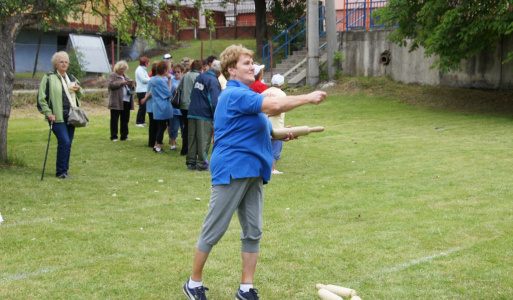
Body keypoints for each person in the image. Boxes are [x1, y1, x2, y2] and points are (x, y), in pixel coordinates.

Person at [182, 45, 327, 300]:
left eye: (252, 62)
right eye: (246, 62)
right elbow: (273, 105)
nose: (253, 66)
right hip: (232, 168)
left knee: (253, 231)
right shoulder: (234, 94)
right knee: (214, 228)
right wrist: (307, 97)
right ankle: (193, 283)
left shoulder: (245, 95)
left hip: (253, 170)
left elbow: (263, 128)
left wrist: (281, 134)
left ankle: (246, 289)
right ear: (231, 69)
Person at [37, 51, 84, 179]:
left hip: (71, 116)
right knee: (64, 141)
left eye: (66, 62)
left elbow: (81, 93)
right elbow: (41, 98)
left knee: (68, 143)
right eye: (61, 62)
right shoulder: (48, 77)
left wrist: (79, 89)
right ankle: (61, 172)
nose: (64, 64)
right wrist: (48, 113)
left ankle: (64, 170)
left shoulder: (71, 77)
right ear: (55, 64)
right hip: (56, 116)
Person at [186, 59, 221, 171]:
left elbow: (192, 94)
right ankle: (202, 163)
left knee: (192, 138)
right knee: (203, 139)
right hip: (204, 114)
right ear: (219, 72)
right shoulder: (214, 81)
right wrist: (216, 116)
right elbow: (214, 101)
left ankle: (191, 162)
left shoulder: (200, 76)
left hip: (192, 111)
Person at [261, 74, 287, 175]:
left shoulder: (264, 92)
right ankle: (271, 169)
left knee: (264, 147)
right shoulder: (282, 94)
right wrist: (270, 114)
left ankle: (263, 167)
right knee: (276, 147)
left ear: (271, 82)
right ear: (282, 84)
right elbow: (280, 109)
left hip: (263, 125)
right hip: (276, 126)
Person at [148, 60, 173, 153]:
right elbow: (169, 93)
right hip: (163, 106)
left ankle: (156, 144)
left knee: (159, 126)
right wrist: (169, 80)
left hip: (156, 105)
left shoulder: (153, 79)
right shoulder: (161, 81)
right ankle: (158, 146)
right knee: (162, 127)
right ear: (165, 70)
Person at [179, 59, 203, 156]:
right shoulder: (199, 77)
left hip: (184, 105)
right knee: (196, 128)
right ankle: (194, 150)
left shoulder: (185, 75)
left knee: (186, 128)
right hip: (194, 105)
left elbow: (179, 88)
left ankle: (184, 149)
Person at [108, 60, 135, 141]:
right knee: (114, 119)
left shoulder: (126, 76)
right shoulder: (112, 75)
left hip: (126, 100)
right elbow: (110, 85)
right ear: (117, 68)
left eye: (124, 69)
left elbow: (132, 89)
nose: (122, 71)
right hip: (116, 100)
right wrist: (121, 83)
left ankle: (124, 136)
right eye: (121, 69)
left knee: (125, 119)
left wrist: (132, 84)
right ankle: (114, 136)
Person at [169, 63, 185, 151]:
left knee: (184, 128)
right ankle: (172, 145)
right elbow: (175, 89)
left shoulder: (184, 80)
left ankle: (184, 145)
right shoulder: (172, 81)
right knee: (174, 128)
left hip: (183, 108)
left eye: (178, 72)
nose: (177, 74)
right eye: (175, 72)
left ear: (182, 72)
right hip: (175, 108)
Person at [135, 57, 150, 127]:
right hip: (141, 90)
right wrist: (151, 79)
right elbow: (143, 80)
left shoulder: (143, 70)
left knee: (144, 107)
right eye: (148, 63)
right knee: (142, 106)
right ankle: (139, 121)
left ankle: (142, 120)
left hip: (144, 90)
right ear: (146, 63)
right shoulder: (140, 70)